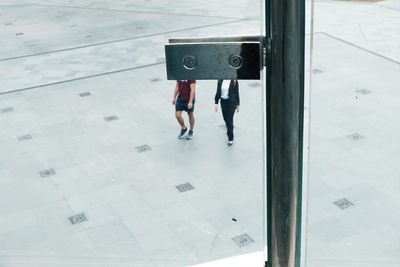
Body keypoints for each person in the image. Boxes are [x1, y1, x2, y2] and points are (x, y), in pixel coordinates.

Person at [214, 79, 240, 146]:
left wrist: (237, 104)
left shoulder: (234, 81)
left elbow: (236, 92)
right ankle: (229, 128)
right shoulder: (220, 80)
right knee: (225, 118)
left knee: (229, 119)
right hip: (223, 102)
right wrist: (216, 103)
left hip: (232, 102)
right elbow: (218, 91)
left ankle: (230, 138)